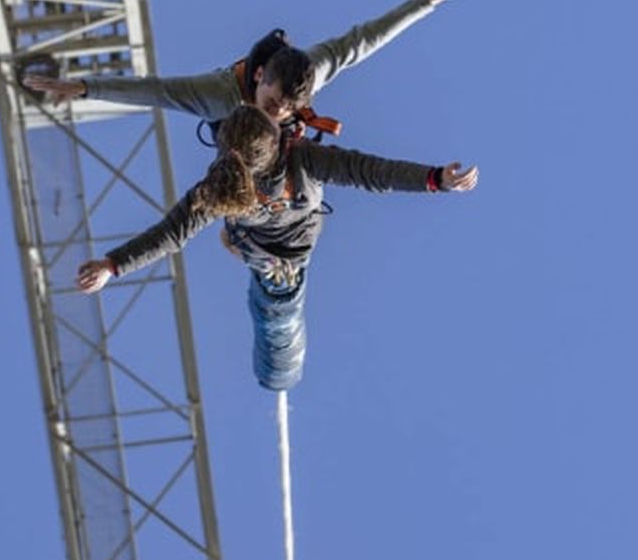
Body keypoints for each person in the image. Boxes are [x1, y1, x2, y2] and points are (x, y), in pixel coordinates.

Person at [76, 106, 478, 390]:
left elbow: (371, 172)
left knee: (279, 279)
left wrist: (432, 178)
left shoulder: (303, 158)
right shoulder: (216, 190)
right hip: (262, 250)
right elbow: (171, 233)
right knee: (274, 283)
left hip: (291, 242)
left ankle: (254, 253)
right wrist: (113, 265)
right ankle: (248, 250)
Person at [23, 0, 449, 125]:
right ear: (259, 76)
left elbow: (365, 40)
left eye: (286, 109)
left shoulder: (311, 74)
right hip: (237, 148)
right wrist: (85, 88)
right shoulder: (217, 95)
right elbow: (156, 91)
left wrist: (423, 4)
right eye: (272, 105)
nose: (277, 113)